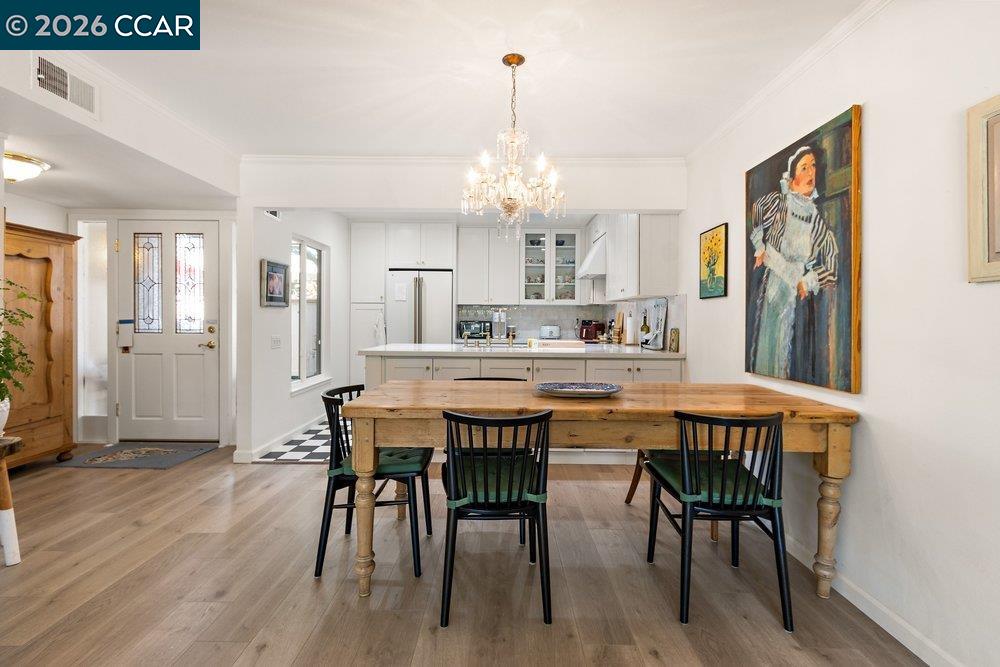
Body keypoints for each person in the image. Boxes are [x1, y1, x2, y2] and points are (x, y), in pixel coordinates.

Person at [748, 146, 838, 378]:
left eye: (813, 166)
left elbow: (831, 262)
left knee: (792, 354)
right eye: (804, 167)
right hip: (773, 285)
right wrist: (759, 248)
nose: (810, 173)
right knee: (767, 343)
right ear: (792, 175)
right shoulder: (779, 203)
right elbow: (756, 210)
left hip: (797, 294)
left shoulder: (816, 220)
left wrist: (806, 282)